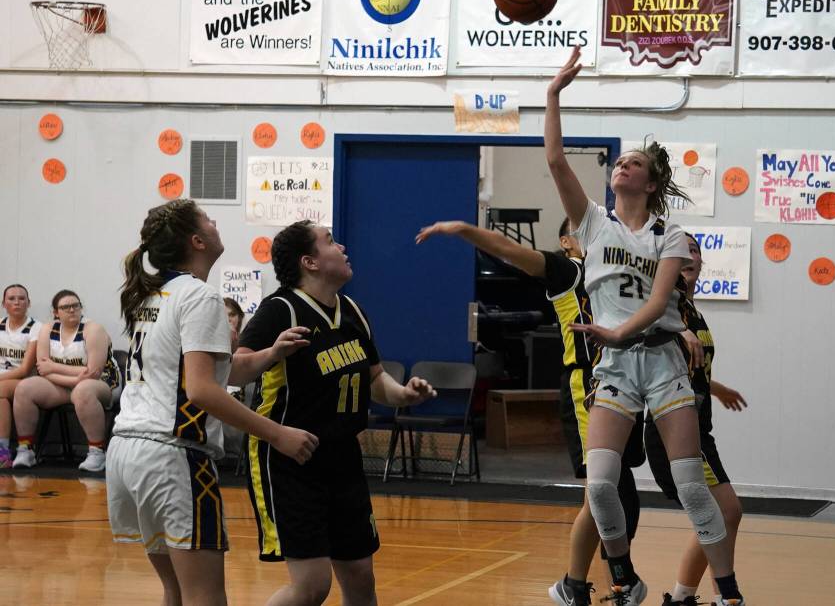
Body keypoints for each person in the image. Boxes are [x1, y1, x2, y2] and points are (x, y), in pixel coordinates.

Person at [546, 46, 744, 606]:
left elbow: (659, 304)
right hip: (614, 368)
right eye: (619, 162)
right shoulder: (592, 225)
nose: (622, 166)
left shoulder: (672, 237)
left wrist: (617, 331)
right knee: (602, 484)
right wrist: (554, 94)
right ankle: (624, 575)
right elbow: (557, 160)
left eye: (634, 163)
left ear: (652, 183)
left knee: (689, 486)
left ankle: (727, 592)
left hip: (660, 361)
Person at [416, 217, 646, 606]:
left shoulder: (616, 275)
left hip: (627, 384)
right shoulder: (567, 270)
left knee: (616, 496)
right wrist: (465, 231)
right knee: (606, 491)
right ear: (566, 242)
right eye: (587, 229)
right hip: (588, 384)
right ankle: (611, 584)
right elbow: (509, 249)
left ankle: (580, 584)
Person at [106, 198, 319, 606]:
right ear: (197, 240)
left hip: (128, 452)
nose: (216, 221)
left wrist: (270, 355)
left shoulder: (151, 294)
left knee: (177, 591)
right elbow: (202, 391)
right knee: (205, 597)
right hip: (172, 456)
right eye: (207, 219)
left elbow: (215, 373)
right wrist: (277, 434)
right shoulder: (200, 297)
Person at [233, 220, 436, 606]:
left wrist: (405, 394)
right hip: (289, 456)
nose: (341, 246)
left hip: (343, 456)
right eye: (329, 241)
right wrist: (271, 354)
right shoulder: (281, 310)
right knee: (312, 586)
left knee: (361, 579)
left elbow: (377, 381)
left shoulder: (354, 311)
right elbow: (232, 369)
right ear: (309, 261)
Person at [643, 233, 747, 606]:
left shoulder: (692, 310)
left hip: (701, 428)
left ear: (701, 264)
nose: (688, 254)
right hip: (673, 429)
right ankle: (724, 595)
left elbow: (693, 368)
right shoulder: (661, 310)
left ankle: (685, 596)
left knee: (719, 514)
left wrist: (716, 388)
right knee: (725, 510)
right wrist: (673, 329)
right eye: (679, 250)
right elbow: (646, 343)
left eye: (694, 249)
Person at [12, 289, 120, 472]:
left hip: (103, 384)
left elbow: (93, 372)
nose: (72, 310)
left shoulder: (93, 329)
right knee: (24, 388)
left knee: (83, 391)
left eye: (75, 306)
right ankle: (26, 449)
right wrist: (73, 376)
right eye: (66, 307)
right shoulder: (47, 329)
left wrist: (55, 367)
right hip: (66, 383)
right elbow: (43, 370)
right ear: (56, 312)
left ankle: (97, 452)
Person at [0, 284, 40, 467]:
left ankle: (3, 452)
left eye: (22, 298)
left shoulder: (36, 328)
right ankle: (4, 451)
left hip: (26, 381)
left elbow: (25, 370)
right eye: (11, 298)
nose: (17, 302)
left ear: (28, 303)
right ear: (3, 303)